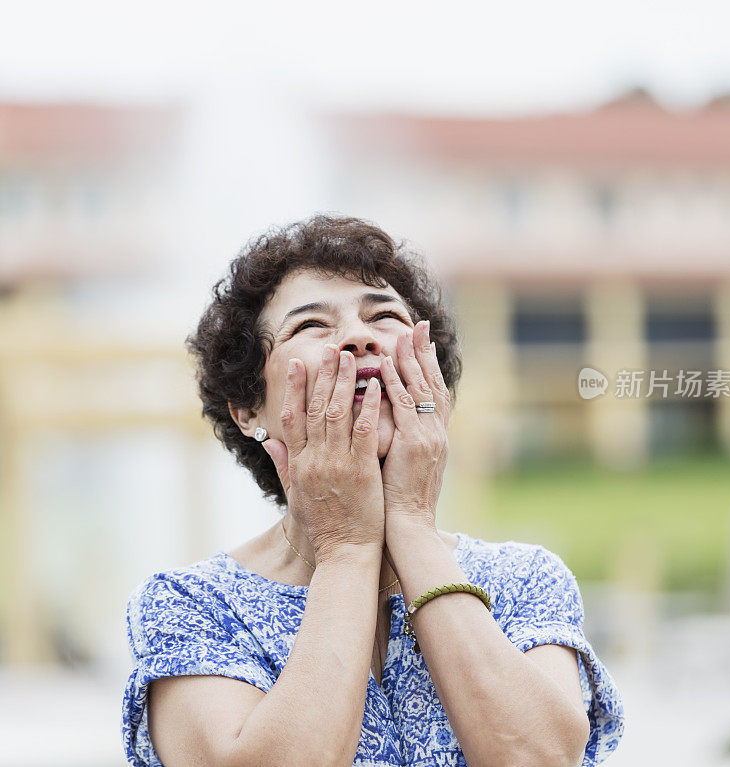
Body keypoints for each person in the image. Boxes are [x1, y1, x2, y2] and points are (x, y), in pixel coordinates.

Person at [121, 215, 625, 767]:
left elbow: (541, 758)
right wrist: (346, 548)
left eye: (383, 316)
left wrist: (410, 521)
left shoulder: (523, 579)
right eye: (310, 325)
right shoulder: (190, 605)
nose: (360, 337)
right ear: (247, 409)